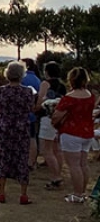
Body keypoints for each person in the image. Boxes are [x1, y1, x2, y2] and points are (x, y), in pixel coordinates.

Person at [0, 61, 34, 205]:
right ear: (21, 75)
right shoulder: (27, 92)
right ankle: (23, 194)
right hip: (21, 130)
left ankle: (1, 193)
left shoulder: (0, 91)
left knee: (3, 159)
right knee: (22, 159)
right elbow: (30, 108)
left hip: (4, 128)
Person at [52, 67, 96, 204]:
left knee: (74, 165)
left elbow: (56, 117)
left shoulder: (69, 98)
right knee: (83, 164)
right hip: (87, 132)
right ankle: (82, 193)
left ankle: (77, 194)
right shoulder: (90, 95)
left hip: (71, 133)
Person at [35, 61, 66, 191]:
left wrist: (35, 107)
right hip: (59, 119)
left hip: (47, 118)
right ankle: (59, 172)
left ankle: (55, 177)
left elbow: (40, 99)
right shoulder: (62, 86)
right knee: (56, 149)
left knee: (46, 150)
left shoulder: (45, 83)